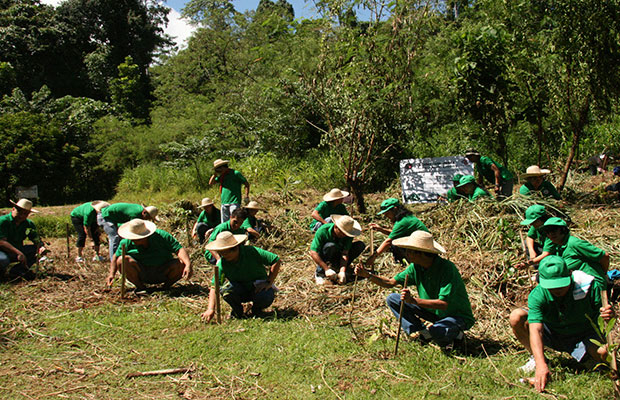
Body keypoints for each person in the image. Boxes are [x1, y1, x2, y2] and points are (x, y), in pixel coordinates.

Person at [509, 256, 613, 393]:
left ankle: (587, 358)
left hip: (582, 335)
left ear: (569, 276)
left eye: (561, 284)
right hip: (552, 332)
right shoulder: (538, 295)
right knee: (516, 316)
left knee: (604, 353)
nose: (558, 289)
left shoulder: (588, 287)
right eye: (552, 286)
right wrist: (541, 365)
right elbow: (536, 329)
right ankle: (537, 358)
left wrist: (610, 315)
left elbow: (606, 316)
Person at [355, 230, 475, 347]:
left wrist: (413, 300)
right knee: (393, 299)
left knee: (438, 333)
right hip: (432, 313)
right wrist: (367, 275)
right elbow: (391, 282)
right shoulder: (415, 267)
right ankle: (422, 333)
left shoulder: (447, 269)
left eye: (410, 251)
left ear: (421, 253)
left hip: (455, 316)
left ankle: (457, 335)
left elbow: (443, 304)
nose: (406, 254)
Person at [201, 231, 281, 321]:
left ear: (235, 248)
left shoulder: (251, 252)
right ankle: (237, 311)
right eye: (221, 252)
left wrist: (268, 282)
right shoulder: (223, 264)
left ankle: (256, 310)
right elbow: (214, 287)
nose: (224, 255)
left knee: (265, 296)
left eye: (226, 252)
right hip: (240, 289)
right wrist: (210, 309)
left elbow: (275, 260)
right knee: (226, 290)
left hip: (258, 288)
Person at [106, 219, 192, 292]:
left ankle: (165, 288)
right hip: (142, 271)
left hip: (163, 270)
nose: (134, 240)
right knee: (122, 260)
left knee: (181, 263)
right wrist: (111, 274)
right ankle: (141, 288)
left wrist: (188, 265)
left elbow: (179, 249)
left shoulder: (162, 236)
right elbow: (115, 257)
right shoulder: (126, 243)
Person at [541, 217, 609, 288]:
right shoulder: (559, 246)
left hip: (591, 284)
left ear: (563, 230)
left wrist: (604, 273)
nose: (551, 234)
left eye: (553, 230)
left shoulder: (575, 243)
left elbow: (604, 256)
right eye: (547, 232)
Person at [366, 198, 429, 265]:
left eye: (387, 214)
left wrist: (373, 257)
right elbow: (395, 234)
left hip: (423, 251)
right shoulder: (406, 217)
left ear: (395, 209)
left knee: (395, 244)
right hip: (422, 247)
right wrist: (381, 229)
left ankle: (406, 263)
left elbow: (388, 241)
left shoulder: (403, 222)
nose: (387, 217)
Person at [97, 202, 159, 269]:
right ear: (144, 213)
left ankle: (121, 256)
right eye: (147, 218)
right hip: (105, 216)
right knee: (114, 238)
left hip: (113, 217)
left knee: (120, 239)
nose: (147, 220)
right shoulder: (135, 214)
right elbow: (130, 231)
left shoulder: (139, 211)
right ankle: (114, 263)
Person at [310, 214, 365, 285]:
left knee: (360, 245)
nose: (344, 235)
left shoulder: (348, 235)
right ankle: (320, 273)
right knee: (330, 246)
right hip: (325, 254)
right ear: (336, 227)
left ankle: (337, 268)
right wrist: (326, 269)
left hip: (338, 254)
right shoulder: (323, 231)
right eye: (342, 233)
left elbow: (345, 253)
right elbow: (313, 252)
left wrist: (342, 271)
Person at [0, 199, 46, 279]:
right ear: (13, 209)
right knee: (3, 260)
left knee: (36, 250)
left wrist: (41, 246)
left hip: (16, 250)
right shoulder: (3, 221)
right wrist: (19, 253)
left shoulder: (28, 224)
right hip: (2, 250)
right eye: (19, 212)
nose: (21, 215)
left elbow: (36, 239)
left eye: (25, 213)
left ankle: (17, 271)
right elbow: (2, 242)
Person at [209, 159, 250, 223]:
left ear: (223, 167)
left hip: (234, 201)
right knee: (225, 223)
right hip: (224, 202)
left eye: (219, 169)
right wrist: (215, 174)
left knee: (235, 221)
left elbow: (246, 184)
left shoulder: (235, 173)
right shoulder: (222, 176)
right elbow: (211, 183)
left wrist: (246, 195)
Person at [514, 205, 551, 270]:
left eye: (533, 222)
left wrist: (528, 264)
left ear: (540, 219)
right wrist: (531, 251)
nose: (531, 224)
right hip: (544, 249)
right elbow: (529, 237)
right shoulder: (537, 226)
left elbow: (547, 253)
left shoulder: (552, 230)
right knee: (526, 243)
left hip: (553, 253)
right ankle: (536, 265)